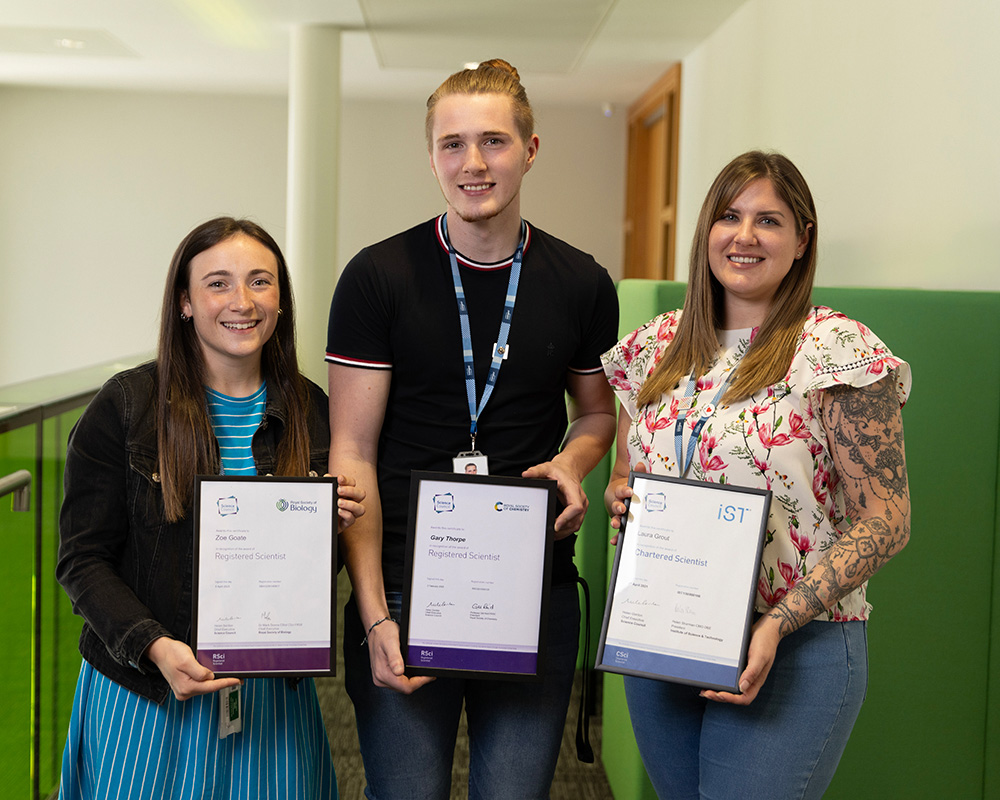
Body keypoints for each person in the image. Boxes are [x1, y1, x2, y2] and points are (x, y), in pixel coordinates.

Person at [326, 59, 619, 798]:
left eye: (493, 140)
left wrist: (572, 463)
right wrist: (371, 617)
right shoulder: (377, 277)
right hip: (399, 587)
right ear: (431, 157)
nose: (474, 162)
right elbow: (351, 454)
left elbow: (594, 413)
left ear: (530, 149)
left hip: (530, 588)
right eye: (452, 144)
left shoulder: (581, 282)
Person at [602, 151, 911, 799]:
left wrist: (778, 623)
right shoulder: (655, 345)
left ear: (802, 241)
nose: (744, 235)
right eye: (728, 216)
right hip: (665, 635)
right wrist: (623, 497)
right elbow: (626, 468)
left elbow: (887, 519)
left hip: (796, 644)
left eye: (768, 220)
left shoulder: (836, 349)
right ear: (705, 234)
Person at [56, 217, 364, 800]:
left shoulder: (312, 411)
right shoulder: (125, 407)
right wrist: (153, 645)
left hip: (268, 692)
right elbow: (82, 561)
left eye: (260, 282)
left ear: (281, 300)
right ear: (185, 303)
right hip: (146, 691)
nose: (241, 302)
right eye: (218, 283)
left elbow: (301, 577)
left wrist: (326, 530)